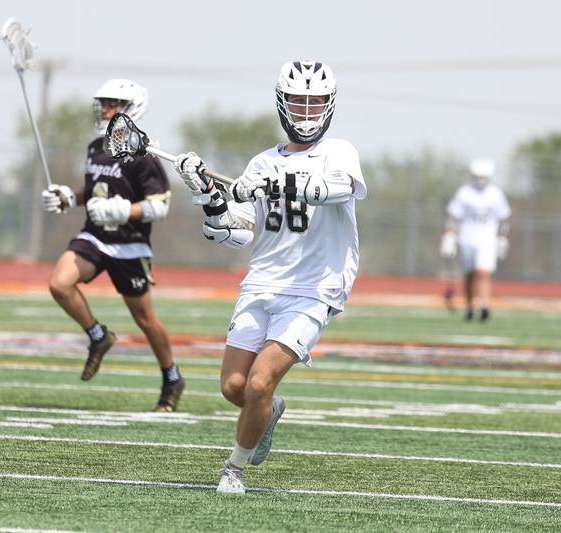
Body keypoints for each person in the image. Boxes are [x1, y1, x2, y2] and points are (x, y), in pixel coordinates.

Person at [173, 61, 366, 495]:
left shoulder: (339, 151)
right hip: (262, 283)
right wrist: (208, 196)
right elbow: (233, 235)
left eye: (316, 101)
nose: (307, 109)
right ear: (282, 102)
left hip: (315, 288)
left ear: (330, 104)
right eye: (299, 100)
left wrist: (278, 181)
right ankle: (269, 410)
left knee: (260, 381)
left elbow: (339, 189)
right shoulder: (260, 162)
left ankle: (233, 470)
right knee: (235, 387)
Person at [39, 78, 185, 411]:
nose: (105, 109)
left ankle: (172, 376)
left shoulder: (144, 156)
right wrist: (68, 198)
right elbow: (95, 193)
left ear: (132, 109)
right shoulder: (95, 147)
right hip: (95, 236)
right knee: (59, 284)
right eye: (102, 103)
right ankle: (97, 335)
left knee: (145, 320)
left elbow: (159, 206)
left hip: (129, 244)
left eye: (112, 103)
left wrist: (122, 210)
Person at [439, 159, 511, 322]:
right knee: (470, 274)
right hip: (467, 238)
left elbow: (504, 218)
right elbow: (453, 216)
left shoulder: (496, 194)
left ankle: (484, 305)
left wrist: (502, 238)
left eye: (483, 177)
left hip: (487, 240)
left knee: (483, 273)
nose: (480, 180)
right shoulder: (465, 192)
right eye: (478, 176)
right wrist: (449, 235)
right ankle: (470, 306)